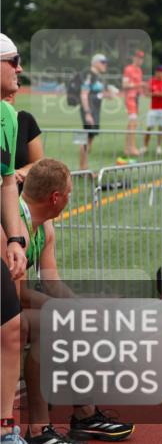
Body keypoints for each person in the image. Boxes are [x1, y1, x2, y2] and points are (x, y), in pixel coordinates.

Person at [18, 159, 135, 444]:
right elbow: (14, 290)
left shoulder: (44, 228)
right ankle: (38, 430)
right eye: (70, 193)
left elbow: (52, 281)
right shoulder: (13, 226)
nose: (71, 199)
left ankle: (85, 415)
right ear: (55, 198)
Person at [0, 33, 28, 444]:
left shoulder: (8, 116)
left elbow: (6, 183)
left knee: (11, 328)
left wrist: (16, 239)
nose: (20, 68)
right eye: (14, 60)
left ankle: (5, 428)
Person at [2, 90, 42, 193]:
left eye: (16, 85)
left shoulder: (25, 119)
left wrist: (21, 172)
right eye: (4, 86)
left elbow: (38, 162)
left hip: (17, 198)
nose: (11, 92)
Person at [79, 53, 110, 171]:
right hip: (89, 111)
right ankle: (83, 168)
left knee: (90, 137)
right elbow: (84, 94)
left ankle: (85, 167)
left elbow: (96, 93)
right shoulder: (89, 75)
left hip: (95, 110)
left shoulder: (97, 76)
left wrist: (108, 94)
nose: (105, 64)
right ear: (95, 63)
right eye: (103, 62)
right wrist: (87, 113)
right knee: (86, 137)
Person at [144, 65, 162, 157]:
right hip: (153, 108)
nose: (159, 73)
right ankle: (145, 146)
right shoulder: (152, 81)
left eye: (161, 72)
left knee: (161, 128)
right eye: (157, 71)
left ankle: (159, 147)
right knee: (149, 127)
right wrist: (154, 94)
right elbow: (147, 93)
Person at [122, 50, 145, 158]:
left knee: (132, 124)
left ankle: (128, 147)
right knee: (133, 122)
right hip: (130, 98)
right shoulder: (128, 69)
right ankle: (132, 147)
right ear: (134, 58)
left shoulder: (139, 70)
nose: (140, 60)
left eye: (141, 58)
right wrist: (138, 84)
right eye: (138, 58)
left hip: (136, 98)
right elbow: (125, 84)